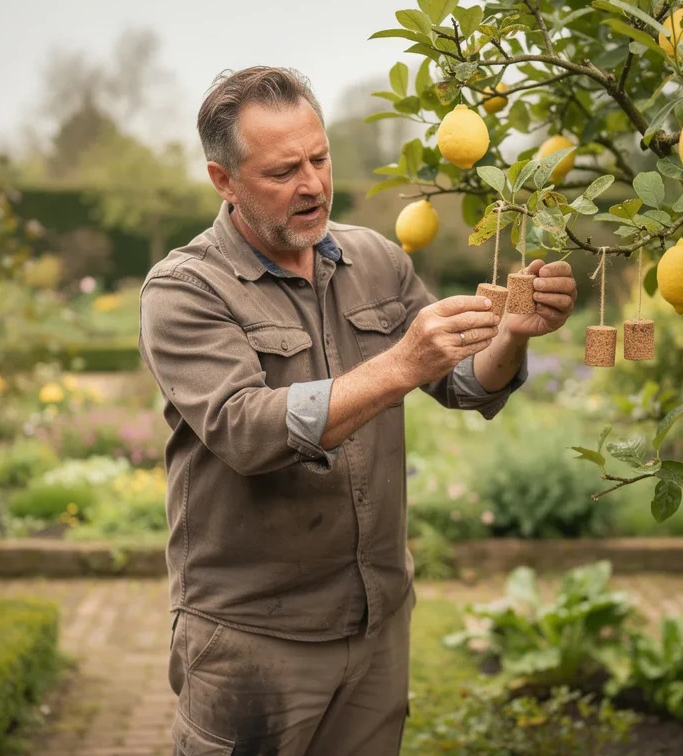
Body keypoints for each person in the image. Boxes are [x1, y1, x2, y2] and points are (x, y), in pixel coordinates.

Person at [138, 65, 578, 756]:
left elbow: (466, 383)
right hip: (255, 635)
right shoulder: (186, 289)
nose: (311, 184)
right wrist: (402, 362)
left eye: (319, 158)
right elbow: (245, 430)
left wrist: (512, 336)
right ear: (224, 180)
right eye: (283, 170)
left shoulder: (374, 258)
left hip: (377, 619)